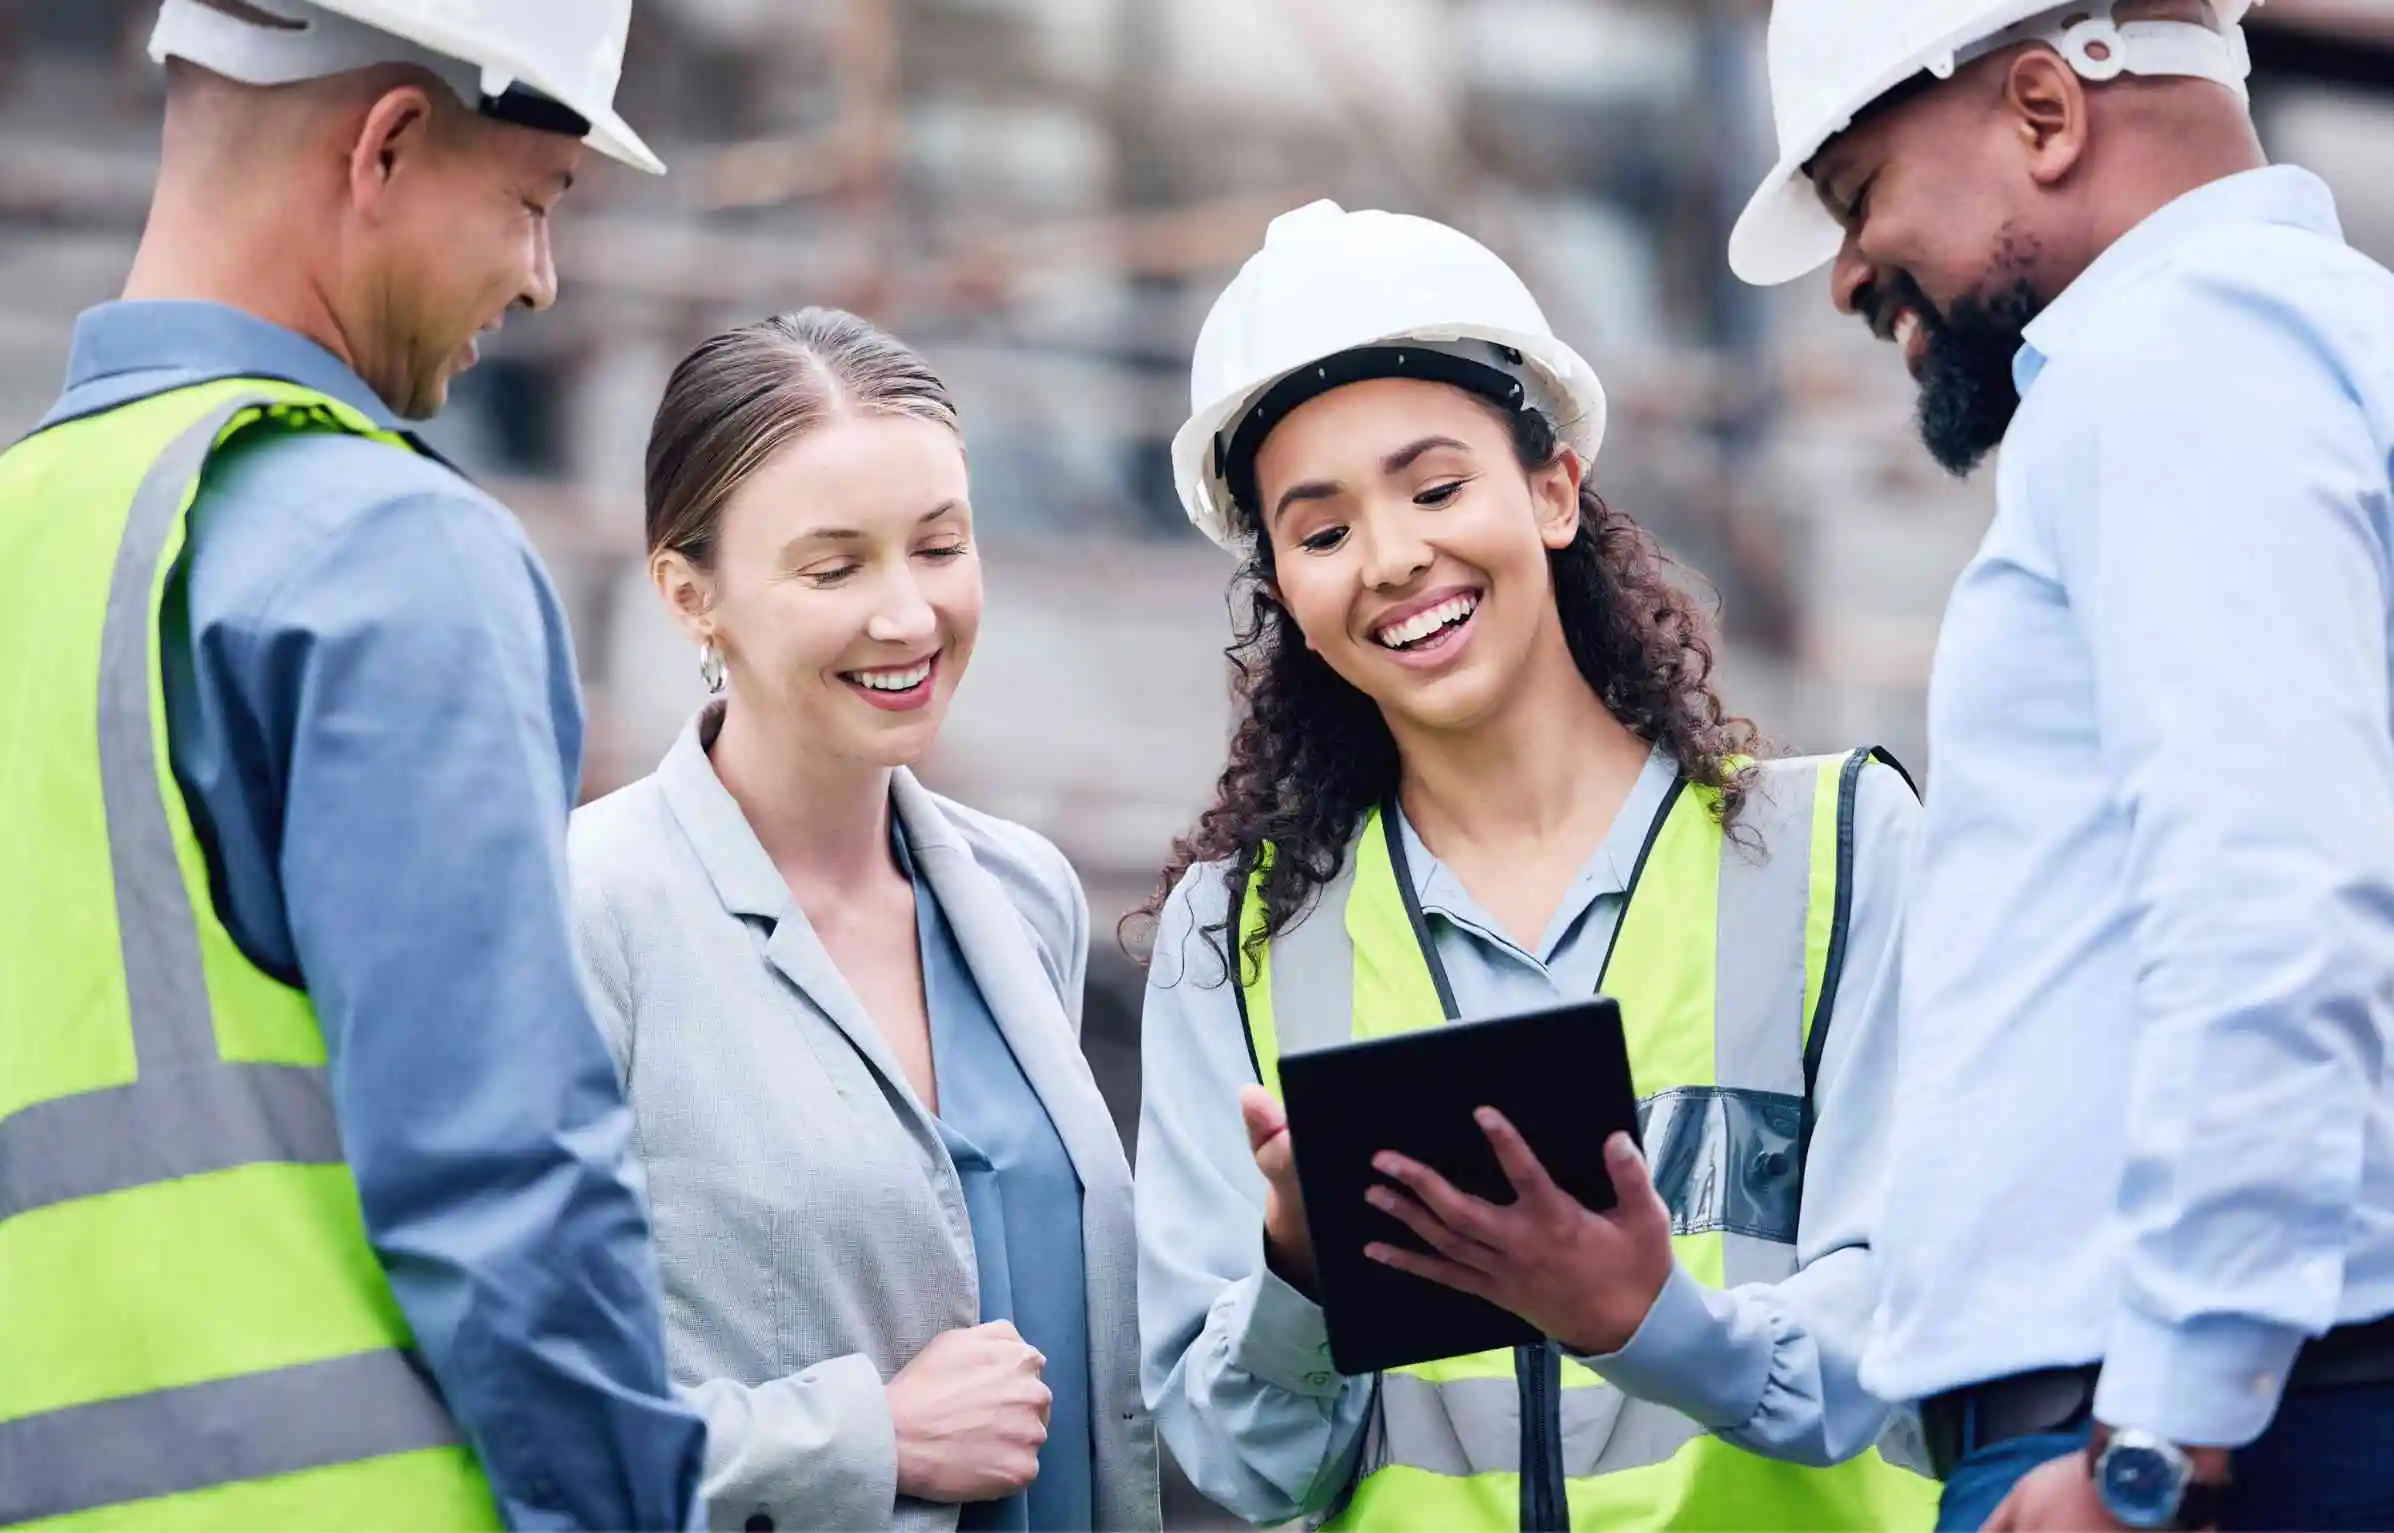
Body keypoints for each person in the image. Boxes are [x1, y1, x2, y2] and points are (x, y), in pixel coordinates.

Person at [0, 2, 707, 1528]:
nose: (540, 277)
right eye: (533, 202)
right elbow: (509, 1188)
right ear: (386, 141)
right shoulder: (386, 555)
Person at [1132, 199, 1937, 1532]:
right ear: (1281, 589)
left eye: (1436, 487)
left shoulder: (1841, 856)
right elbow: (1240, 1463)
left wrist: (1650, 1322)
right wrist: (1300, 1272)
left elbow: (1910, 1330)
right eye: (1320, 532)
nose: (1393, 558)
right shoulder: (1238, 938)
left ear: (1552, 490)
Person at [1730, 0, 2394, 1527]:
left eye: (1857, 197)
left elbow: (2267, 901)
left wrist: (2155, 1440)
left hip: (2195, 1444)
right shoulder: (2294, 338)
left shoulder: (2183, 350)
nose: (1845, 274)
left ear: (2043, 109)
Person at [567, 309, 1163, 1533]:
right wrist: (860, 1441)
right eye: (834, 568)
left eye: (938, 547)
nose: (907, 616)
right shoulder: (589, 906)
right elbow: (520, 1399)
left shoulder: (1024, 896)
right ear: (691, 595)